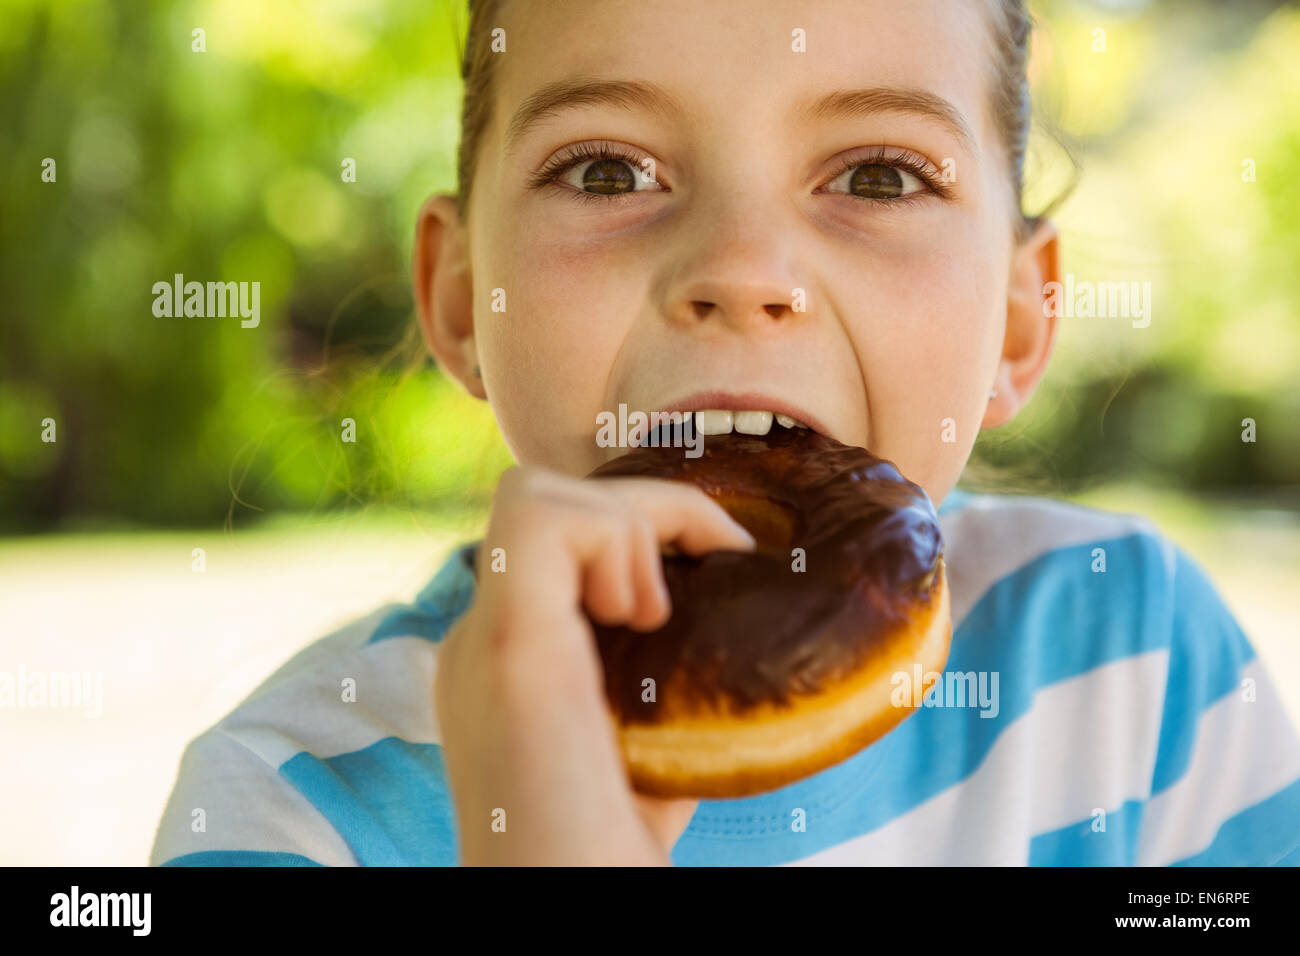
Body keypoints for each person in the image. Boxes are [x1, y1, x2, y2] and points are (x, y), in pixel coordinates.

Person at [151, 0, 1300, 866]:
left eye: (879, 174)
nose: (741, 271)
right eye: (606, 169)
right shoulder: (284, 808)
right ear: (461, 301)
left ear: (1016, 317)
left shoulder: (1141, 678)